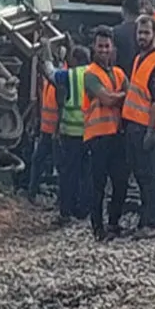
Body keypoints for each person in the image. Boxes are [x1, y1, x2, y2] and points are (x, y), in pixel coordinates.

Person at [122, 14, 155, 235]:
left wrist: (151, 131)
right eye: (140, 33)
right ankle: (145, 220)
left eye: (146, 33)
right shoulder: (139, 58)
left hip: (146, 127)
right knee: (141, 176)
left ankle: (151, 223)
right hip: (134, 124)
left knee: (150, 177)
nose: (142, 37)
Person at [84, 27, 130, 241]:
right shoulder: (90, 74)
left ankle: (113, 223)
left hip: (117, 135)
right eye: (100, 46)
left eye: (106, 46)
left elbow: (121, 97)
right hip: (98, 136)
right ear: (94, 48)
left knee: (120, 182)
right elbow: (108, 100)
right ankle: (98, 227)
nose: (103, 50)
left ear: (112, 48)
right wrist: (121, 95)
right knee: (98, 185)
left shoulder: (119, 73)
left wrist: (116, 95)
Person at [40, 42, 92, 224]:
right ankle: (84, 210)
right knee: (87, 173)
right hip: (92, 133)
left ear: (75, 60)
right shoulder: (95, 73)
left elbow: (50, 74)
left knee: (68, 173)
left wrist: (46, 54)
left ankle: (66, 212)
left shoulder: (71, 75)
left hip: (72, 133)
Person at [26, 56, 60, 206]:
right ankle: (32, 192)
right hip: (46, 130)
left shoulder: (60, 77)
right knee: (38, 160)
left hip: (57, 132)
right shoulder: (47, 81)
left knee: (60, 166)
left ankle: (62, 200)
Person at [113, 0, 141, 77]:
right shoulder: (146, 32)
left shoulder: (116, 32)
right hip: (141, 79)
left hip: (121, 78)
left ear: (124, 10)